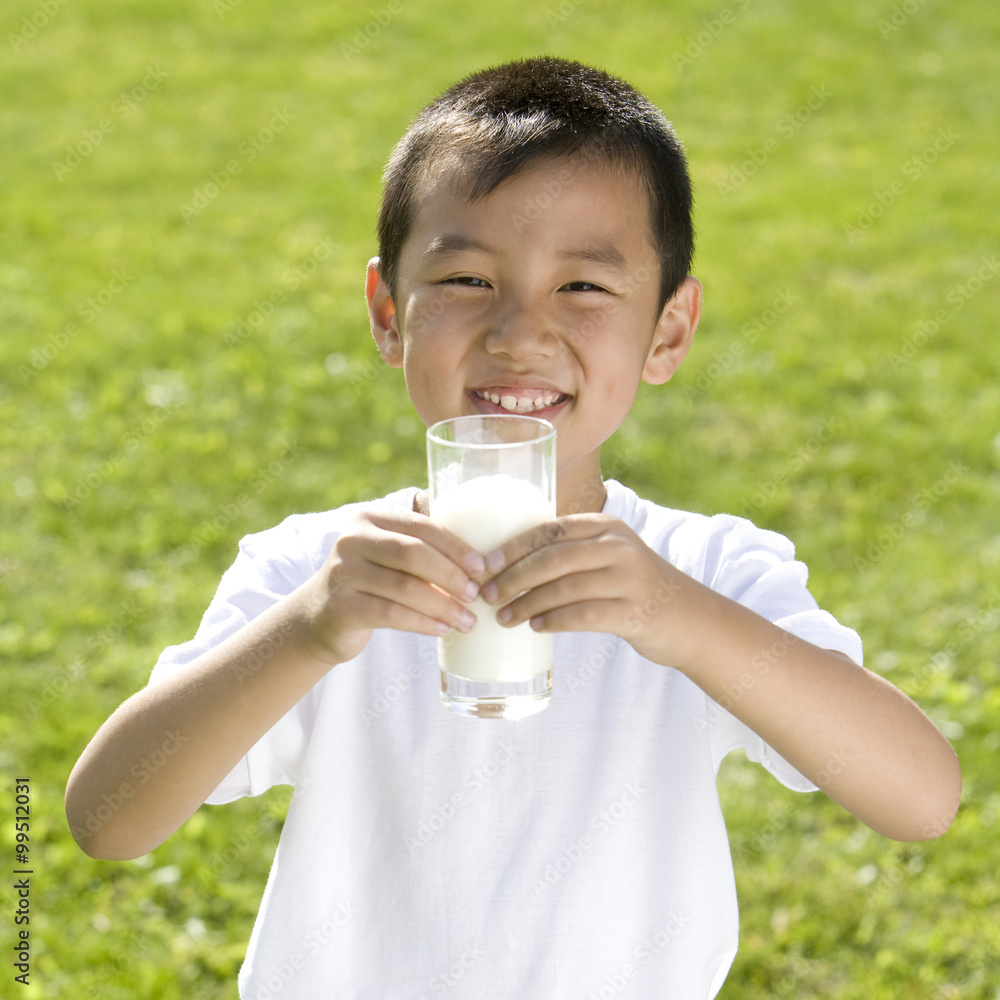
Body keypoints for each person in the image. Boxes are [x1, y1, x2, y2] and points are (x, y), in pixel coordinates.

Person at [66, 57, 962, 998]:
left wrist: (680, 618)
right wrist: (309, 629)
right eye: (465, 278)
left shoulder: (704, 570)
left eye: (583, 288)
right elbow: (107, 819)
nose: (518, 334)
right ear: (387, 313)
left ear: (666, 333)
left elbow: (920, 797)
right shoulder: (322, 572)